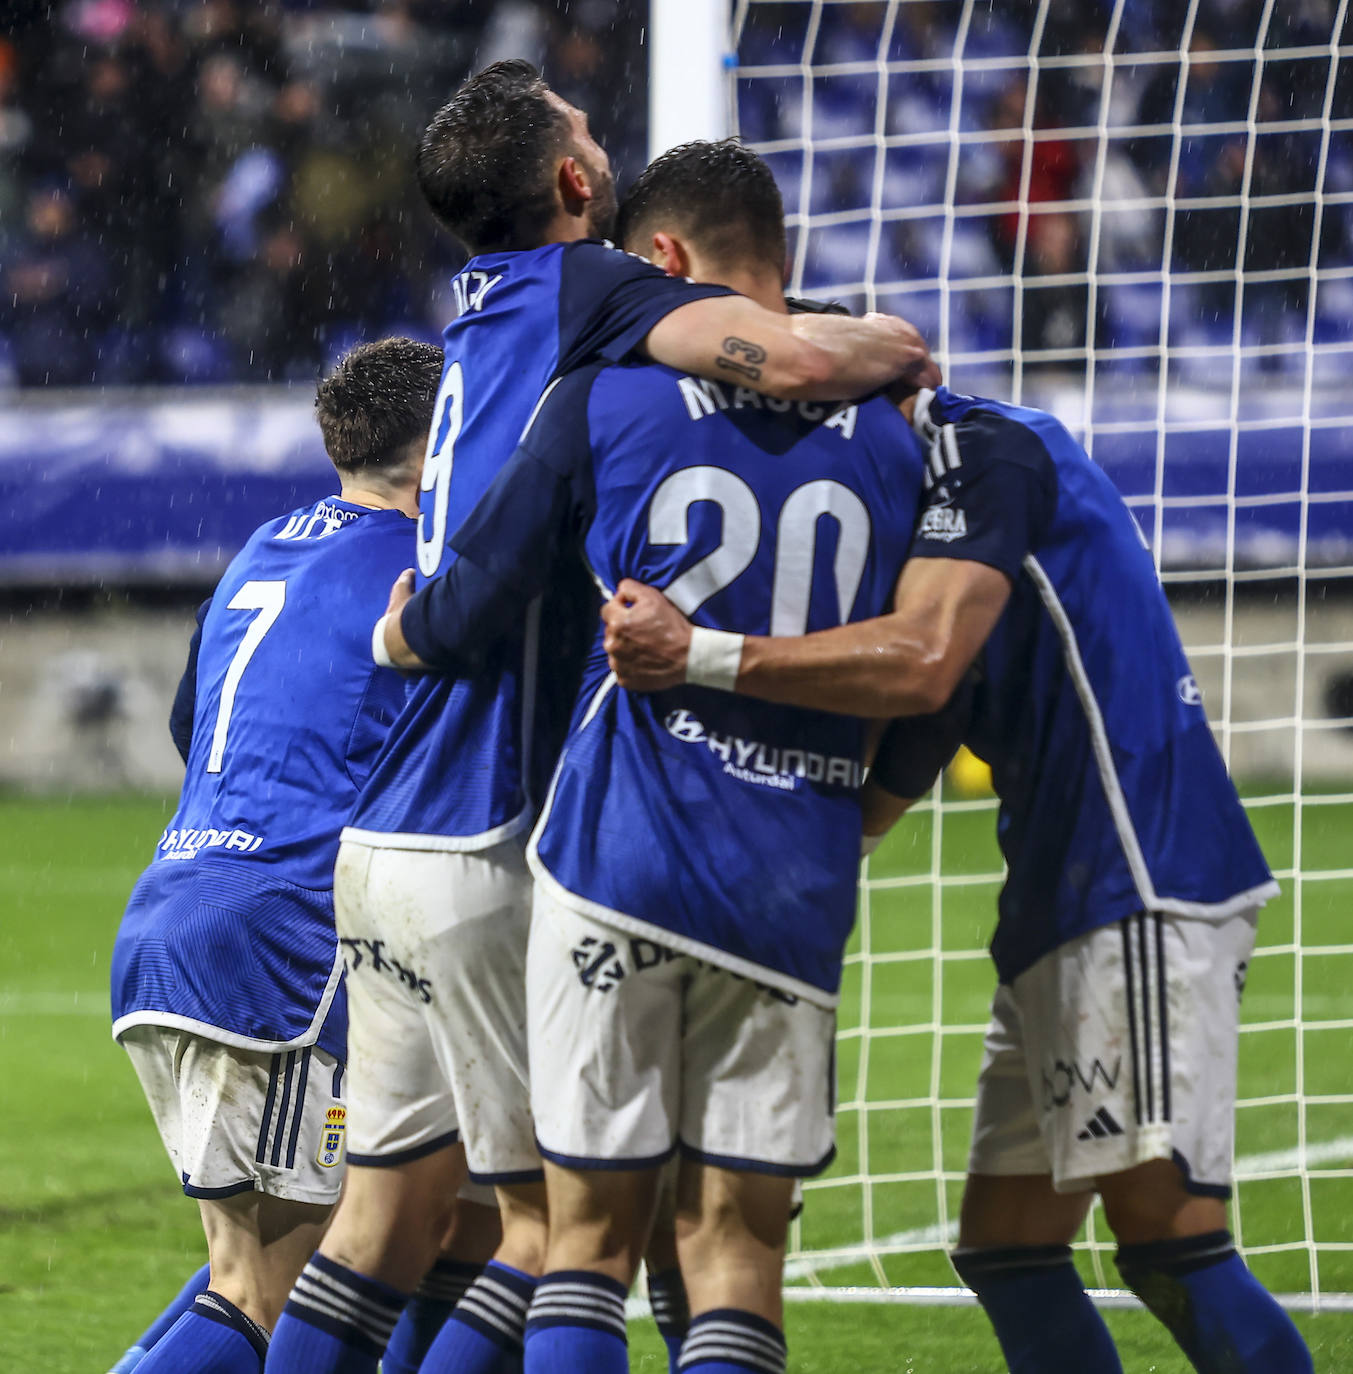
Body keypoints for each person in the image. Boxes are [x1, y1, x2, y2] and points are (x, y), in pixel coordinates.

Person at [266, 62, 937, 1374]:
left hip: (387, 833)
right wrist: (899, 345)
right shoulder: (598, 294)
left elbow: (466, 586)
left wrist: (411, 624)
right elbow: (790, 353)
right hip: (497, 822)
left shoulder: (478, 316)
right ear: (576, 183)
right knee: (560, 1234)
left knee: (382, 1220)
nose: (603, 142)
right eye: (588, 132)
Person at [601, 389, 1315, 1374]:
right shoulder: (926, 505)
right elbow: (930, 726)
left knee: (1170, 1243)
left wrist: (701, 656)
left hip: (1138, 876)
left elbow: (928, 668)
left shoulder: (989, 451)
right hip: (1061, 894)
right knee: (1009, 1248)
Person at [108, 339, 502, 1374]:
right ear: (441, 441)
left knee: (424, 1228)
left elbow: (197, 726)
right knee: (273, 1290)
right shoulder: (428, 571)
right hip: (284, 941)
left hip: (178, 908)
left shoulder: (263, 546)